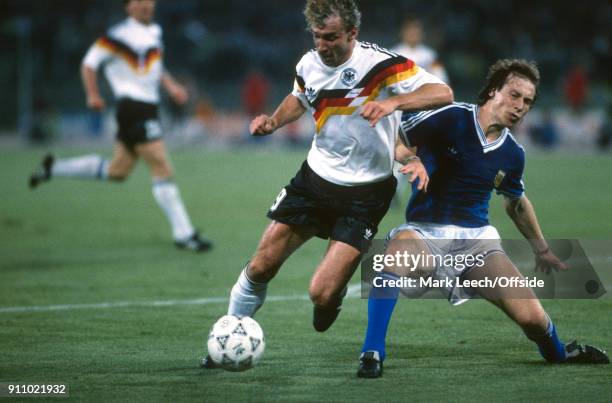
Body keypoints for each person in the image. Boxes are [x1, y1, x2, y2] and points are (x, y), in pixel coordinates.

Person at [201, 0, 453, 368]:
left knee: (320, 295)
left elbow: (442, 92)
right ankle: (229, 339)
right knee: (260, 266)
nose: (323, 45)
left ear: (352, 33)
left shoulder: (382, 65)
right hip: (315, 180)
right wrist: (273, 121)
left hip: (366, 194)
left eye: (331, 37)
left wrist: (394, 103)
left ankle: (329, 299)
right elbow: (299, 97)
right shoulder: (308, 64)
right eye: (318, 37)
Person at [357, 59, 609, 378]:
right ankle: (372, 352)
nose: (520, 107)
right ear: (493, 91)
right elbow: (392, 135)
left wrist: (542, 249)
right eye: (514, 95)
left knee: (532, 319)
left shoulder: (513, 154)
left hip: (477, 244)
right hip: (425, 233)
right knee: (394, 255)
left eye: (528, 102)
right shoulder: (451, 117)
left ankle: (560, 352)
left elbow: (516, 203)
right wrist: (413, 158)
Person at [28, 0, 212, 252]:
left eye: (149, 1)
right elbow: (89, 64)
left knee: (118, 170)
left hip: (147, 107)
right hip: (132, 107)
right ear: (128, 7)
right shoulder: (117, 36)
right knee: (161, 164)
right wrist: (93, 94)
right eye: (139, 1)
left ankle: (53, 168)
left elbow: (157, 67)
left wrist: (172, 87)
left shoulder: (154, 32)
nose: (146, 5)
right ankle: (185, 234)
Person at [390, 16, 449, 205]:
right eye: (410, 30)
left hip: (423, 110)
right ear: (403, 33)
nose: (413, 34)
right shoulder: (393, 53)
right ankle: (395, 190)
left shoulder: (429, 55)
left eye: (416, 31)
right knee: (401, 150)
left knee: (422, 152)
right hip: (400, 110)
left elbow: (441, 78)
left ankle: (425, 189)